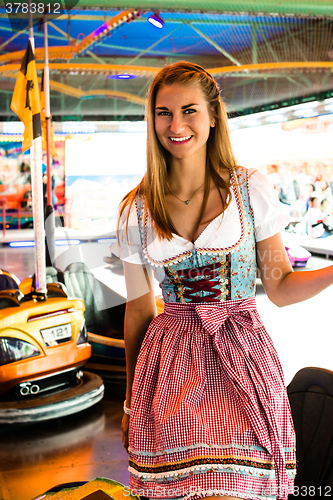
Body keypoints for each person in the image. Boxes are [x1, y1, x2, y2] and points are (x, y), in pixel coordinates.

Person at [111, 62, 333, 500]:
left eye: (189, 110)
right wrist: (131, 402)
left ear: (213, 116)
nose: (176, 125)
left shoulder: (251, 190)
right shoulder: (135, 210)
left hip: (242, 359)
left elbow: (281, 287)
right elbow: (139, 311)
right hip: (169, 369)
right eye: (164, 113)